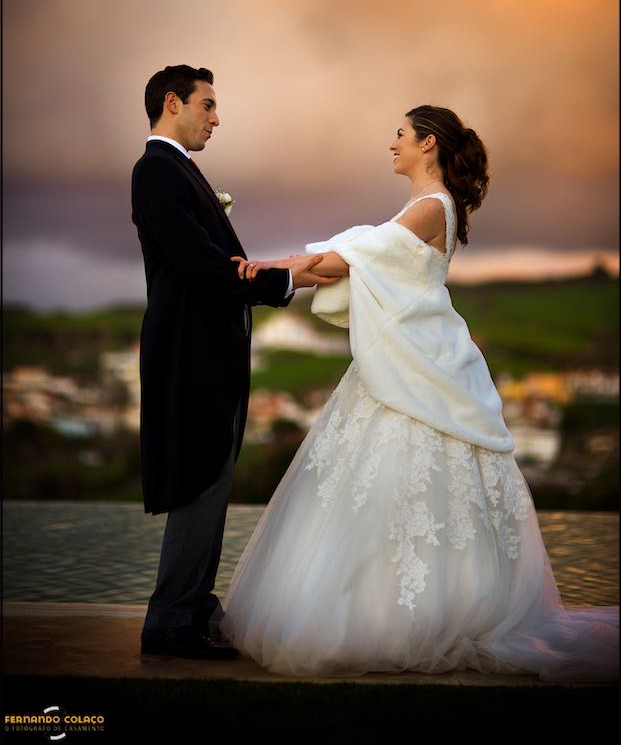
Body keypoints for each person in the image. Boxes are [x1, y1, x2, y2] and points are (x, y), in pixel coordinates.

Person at [221, 104, 619, 680]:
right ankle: (399, 603)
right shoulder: (422, 207)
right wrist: (285, 270)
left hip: (419, 365)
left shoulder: (432, 207)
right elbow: (352, 264)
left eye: (400, 135)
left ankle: (412, 614)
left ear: (428, 144)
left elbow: (345, 260)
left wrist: (267, 266)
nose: (392, 144)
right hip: (406, 361)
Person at [131, 64, 336, 660]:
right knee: (199, 479)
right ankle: (169, 621)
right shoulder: (155, 171)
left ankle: (192, 608)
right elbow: (200, 266)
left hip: (213, 356)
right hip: (191, 358)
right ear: (173, 103)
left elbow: (224, 266)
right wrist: (282, 280)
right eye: (208, 106)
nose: (217, 119)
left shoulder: (179, 172)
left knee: (213, 480)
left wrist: (284, 273)